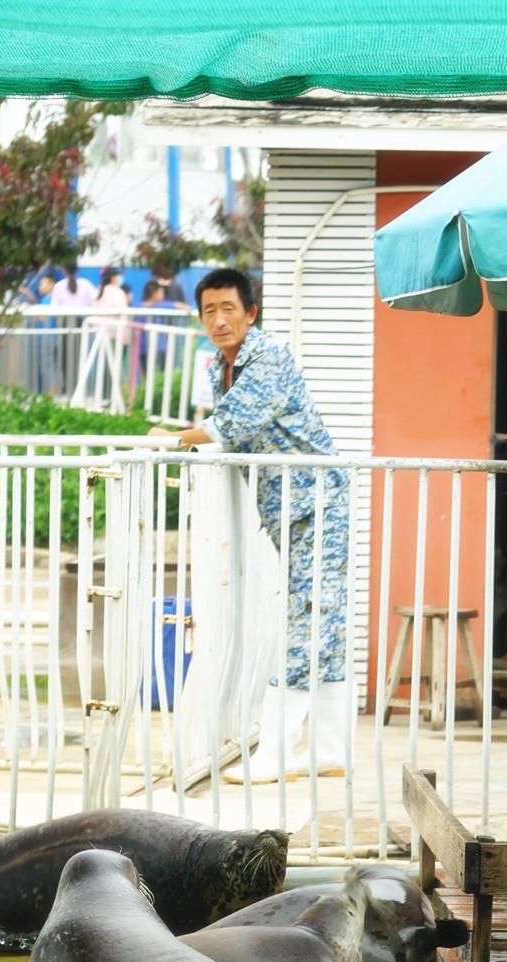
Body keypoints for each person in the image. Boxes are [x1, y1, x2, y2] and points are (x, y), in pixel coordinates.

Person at [149, 267, 351, 782]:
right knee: (321, 623)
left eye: (229, 309)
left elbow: (233, 424)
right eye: (209, 311)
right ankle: (329, 748)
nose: (219, 320)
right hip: (286, 506)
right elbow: (229, 433)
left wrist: (172, 439)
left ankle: (276, 753)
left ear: (250, 313)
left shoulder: (268, 356)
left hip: (317, 503)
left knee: (305, 621)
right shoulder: (219, 367)